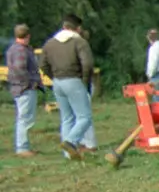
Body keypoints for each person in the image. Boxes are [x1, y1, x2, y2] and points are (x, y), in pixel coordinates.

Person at [40, 13, 94, 159]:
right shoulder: (79, 42)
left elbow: (43, 64)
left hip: (57, 82)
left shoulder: (49, 43)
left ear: (64, 26)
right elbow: (87, 64)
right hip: (74, 80)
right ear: (78, 28)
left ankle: (67, 154)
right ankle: (71, 141)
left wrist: (53, 77)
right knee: (84, 117)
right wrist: (85, 81)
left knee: (67, 118)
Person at [7, 24, 42, 157]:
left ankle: (23, 146)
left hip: (18, 87)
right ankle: (22, 147)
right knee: (25, 118)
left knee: (23, 117)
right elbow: (20, 68)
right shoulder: (21, 50)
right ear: (28, 36)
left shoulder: (13, 49)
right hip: (25, 88)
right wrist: (31, 82)